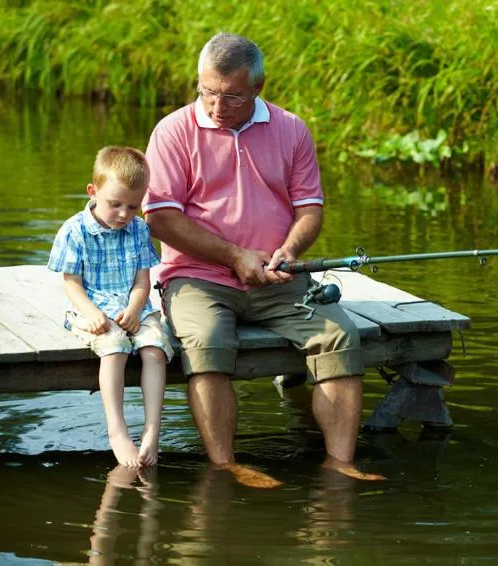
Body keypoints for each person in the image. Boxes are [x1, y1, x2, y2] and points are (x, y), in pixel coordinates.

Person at [142, 32, 383, 484]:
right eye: (207, 92)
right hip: (197, 276)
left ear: (258, 86)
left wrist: (289, 251)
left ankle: (341, 463)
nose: (216, 106)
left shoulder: (291, 129)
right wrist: (234, 256)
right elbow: (160, 218)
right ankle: (227, 464)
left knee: (339, 336)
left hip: (280, 277)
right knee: (209, 341)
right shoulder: (173, 131)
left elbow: (310, 208)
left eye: (231, 96)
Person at [48, 146, 173, 468]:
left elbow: (143, 282)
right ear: (94, 192)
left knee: (155, 349)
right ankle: (117, 431)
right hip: (92, 307)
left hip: (135, 306)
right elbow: (71, 283)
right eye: (115, 204)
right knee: (115, 346)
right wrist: (91, 313)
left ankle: (151, 431)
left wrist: (134, 309)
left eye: (133, 206)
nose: (123, 214)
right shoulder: (75, 230)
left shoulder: (139, 229)